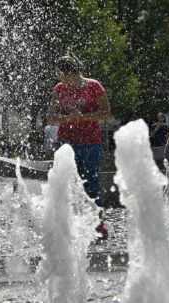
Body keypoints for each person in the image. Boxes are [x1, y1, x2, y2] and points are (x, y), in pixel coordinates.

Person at [48, 55, 111, 239]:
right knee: (66, 184)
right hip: (66, 143)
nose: (59, 77)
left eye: (60, 73)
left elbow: (106, 112)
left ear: (69, 72)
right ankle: (69, 225)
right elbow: (50, 116)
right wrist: (66, 118)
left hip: (91, 142)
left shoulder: (94, 86)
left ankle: (98, 225)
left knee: (91, 183)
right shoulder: (59, 89)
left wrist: (82, 117)